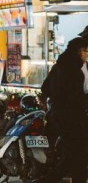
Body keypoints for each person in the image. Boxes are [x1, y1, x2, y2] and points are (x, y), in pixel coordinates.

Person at [31, 37, 88, 183]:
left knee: (76, 154)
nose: (86, 53)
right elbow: (75, 97)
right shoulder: (75, 70)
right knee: (77, 154)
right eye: (85, 50)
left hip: (58, 116)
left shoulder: (59, 66)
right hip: (72, 118)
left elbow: (45, 88)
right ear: (78, 51)